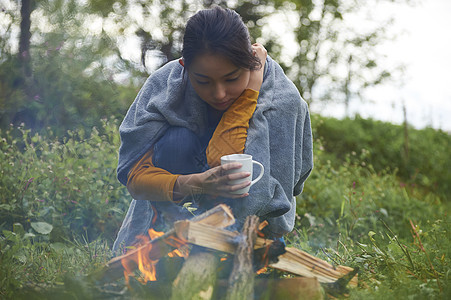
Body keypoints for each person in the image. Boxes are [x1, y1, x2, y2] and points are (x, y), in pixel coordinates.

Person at [113, 6, 313, 253]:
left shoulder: (282, 101)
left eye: (231, 79)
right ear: (184, 66)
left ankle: (230, 257)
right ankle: (174, 247)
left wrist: (248, 96)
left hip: (251, 231)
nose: (218, 94)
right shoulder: (165, 87)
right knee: (177, 141)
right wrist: (196, 183)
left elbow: (271, 185)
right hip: (173, 220)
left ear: (251, 65)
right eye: (203, 81)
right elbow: (135, 180)